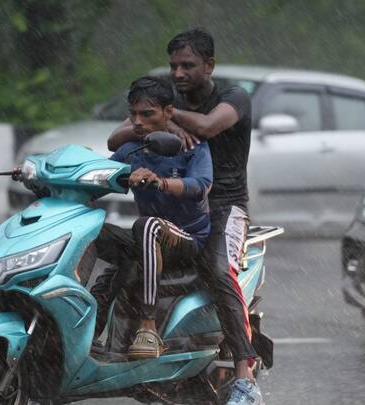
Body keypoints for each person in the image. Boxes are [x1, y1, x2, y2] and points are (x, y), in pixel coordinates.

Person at [107, 28, 261, 405]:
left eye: (188, 65)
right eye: (173, 65)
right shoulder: (168, 102)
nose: (178, 73)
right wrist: (164, 121)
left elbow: (208, 127)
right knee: (113, 249)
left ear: (209, 65)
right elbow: (116, 140)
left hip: (224, 205)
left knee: (218, 269)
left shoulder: (233, 97)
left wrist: (172, 118)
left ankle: (244, 376)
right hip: (177, 208)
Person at [94, 76, 213, 359]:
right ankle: (78, 330)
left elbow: (201, 185)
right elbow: (100, 181)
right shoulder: (132, 149)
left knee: (146, 226)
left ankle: (149, 328)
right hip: (146, 241)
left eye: (147, 114)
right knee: (91, 228)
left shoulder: (192, 146)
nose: (137, 122)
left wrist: (160, 182)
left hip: (186, 239)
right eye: (133, 114)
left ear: (167, 113)